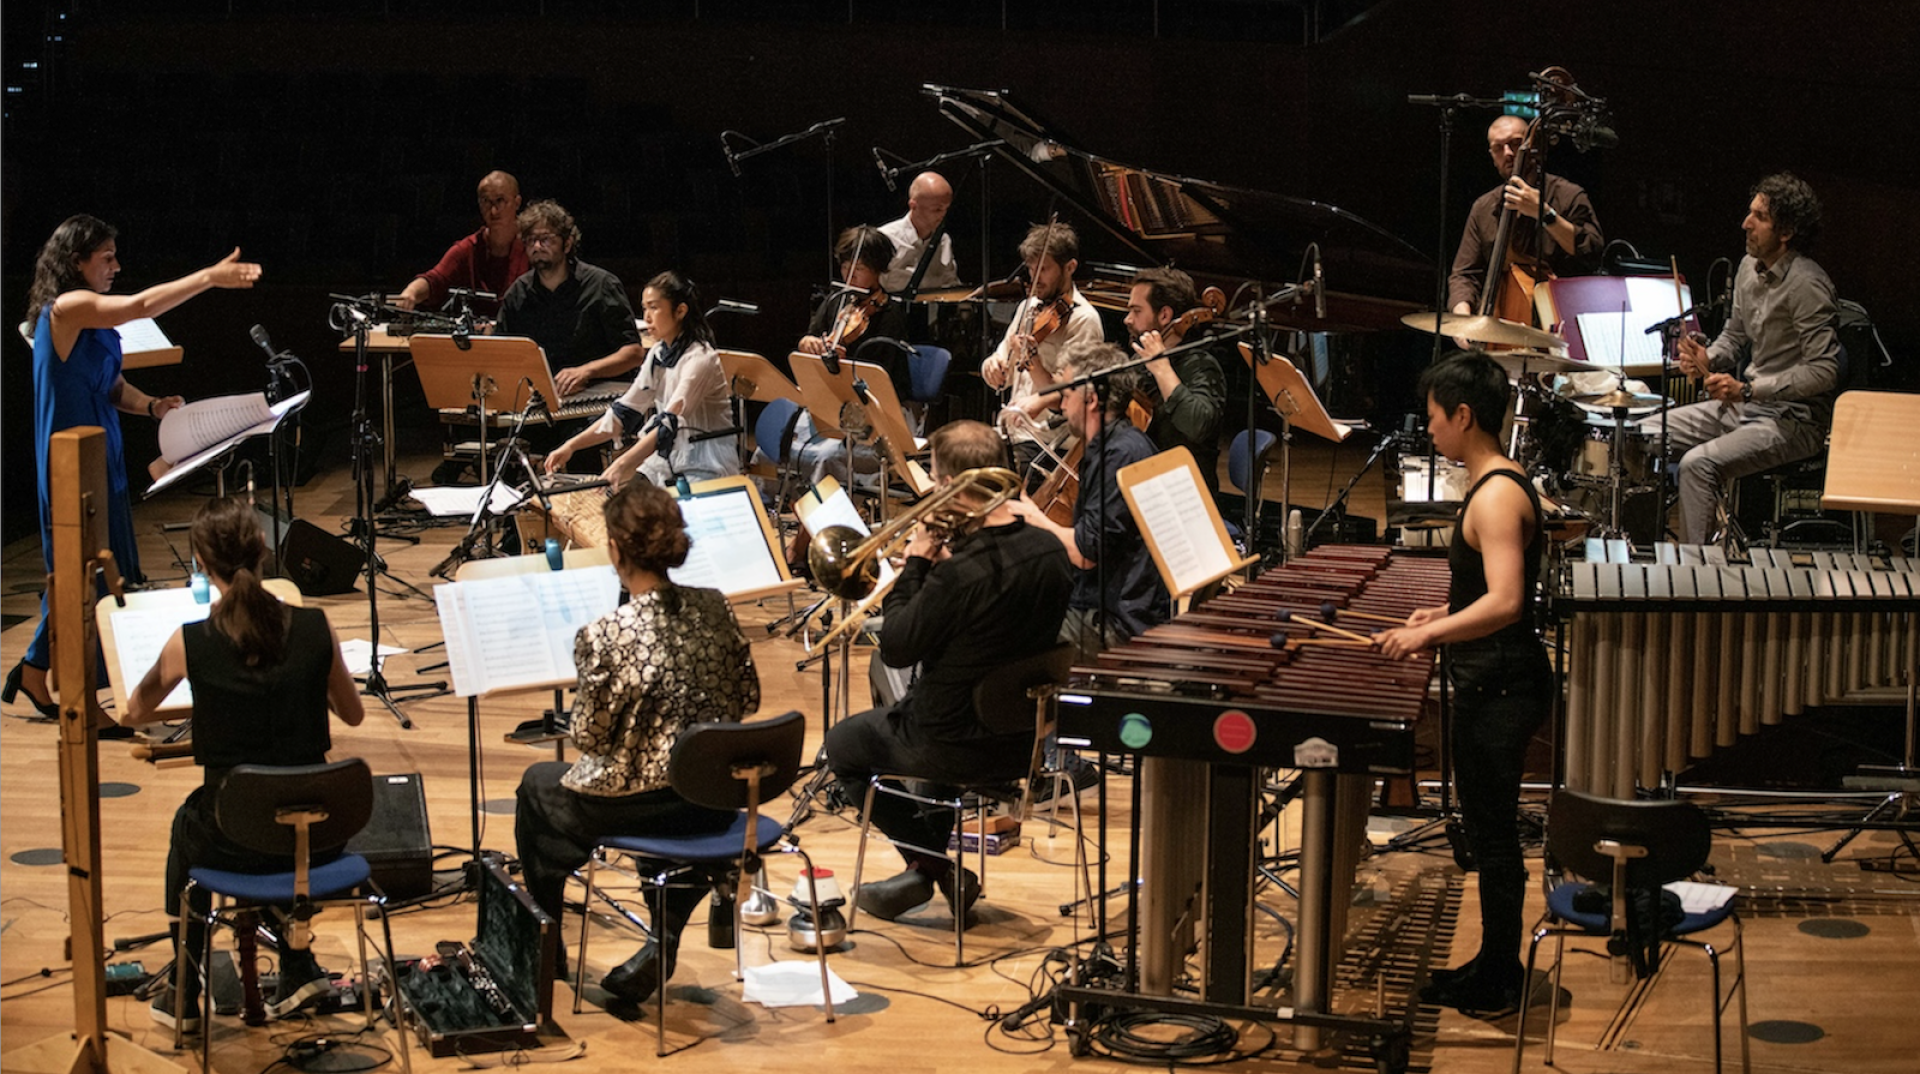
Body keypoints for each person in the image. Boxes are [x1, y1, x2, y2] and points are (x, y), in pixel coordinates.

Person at [5, 215, 261, 727]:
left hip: (104, 453)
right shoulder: (69, 308)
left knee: (103, 569)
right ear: (75, 263)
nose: (116, 266)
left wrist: (152, 407)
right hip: (70, 460)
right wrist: (208, 277)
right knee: (85, 576)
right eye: (106, 258)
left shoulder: (88, 322)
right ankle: (79, 693)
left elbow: (113, 386)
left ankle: (36, 669)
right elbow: (141, 306)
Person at [122, 498, 366, 1031]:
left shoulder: (190, 643)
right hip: (319, 835)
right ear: (263, 554)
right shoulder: (315, 626)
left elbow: (135, 710)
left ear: (203, 567)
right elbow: (352, 714)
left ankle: (186, 990)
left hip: (234, 838)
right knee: (280, 806)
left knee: (191, 822)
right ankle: (299, 964)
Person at [514, 482, 759, 1005]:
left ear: (617, 551)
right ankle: (664, 930)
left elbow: (591, 737)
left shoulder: (606, 634)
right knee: (674, 797)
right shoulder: (715, 607)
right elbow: (747, 698)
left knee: (537, 786)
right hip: (713, 801)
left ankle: (547, 945)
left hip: (635, 808)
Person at [825, 420, 1072, 921]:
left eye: (937, 479)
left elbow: (895, 646)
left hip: (953, 742)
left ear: (956, 484)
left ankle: (933, 868)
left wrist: (917, 563)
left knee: (843, 746)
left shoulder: (959, 576)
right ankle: (923, 877)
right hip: (1022, 738)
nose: (933, 490)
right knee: (929, 698)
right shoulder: (1049, 551)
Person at [1376, 351, 1550, 1015]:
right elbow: (1486, 593)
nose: (1431, 430)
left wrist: (1427, 635)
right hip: (1491, 680)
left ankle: (1502, 979)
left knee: (1496, 839)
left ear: (1464, 415)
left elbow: (1507, 602)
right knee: (1485, 832)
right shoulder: (1494, 484)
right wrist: (1443, 614)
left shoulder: (1499, 495)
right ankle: (1490, 961)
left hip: (1503, 687)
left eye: (1434, 418)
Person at [1645, 173, 1839, 545]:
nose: (1745, 223)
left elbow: (1824, 370)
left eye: (1759, 217)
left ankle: (1698, 579)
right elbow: (1734, 337)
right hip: (1744, 408)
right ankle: (1641, 550)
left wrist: (1749, 390)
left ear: (1787, 231)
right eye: (1749, 213)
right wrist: (1708, 357)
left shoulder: (1808, 285)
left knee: (1697, 464)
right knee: (1646, 434)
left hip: (1793, 420)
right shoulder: (1749, 268)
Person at [1009, 341, 1169, 661]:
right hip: (1105, 602)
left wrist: (1032, 515)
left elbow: (1085, 554)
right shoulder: (1117, 443)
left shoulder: (1119, 455)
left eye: (1067, 394)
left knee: (999, 629)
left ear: (1092, 399)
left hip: (1114, 623)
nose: (1062, 404)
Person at [545, 271, 736, 489]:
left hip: (705, 462)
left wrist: (621, 464)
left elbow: (668, 425)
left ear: (680, 310)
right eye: (644, 308)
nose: (646, 317)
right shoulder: (658, 353)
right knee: (626, 508)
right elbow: (624, 411)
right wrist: (570, 446)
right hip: (668, 461)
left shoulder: (700, 359)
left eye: (654, 307)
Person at [980, 222, 1105, 487]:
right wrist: (992, 366)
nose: (1035, 277)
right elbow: (1002, 359)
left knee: (983, 480)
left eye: (1044, 269)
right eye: (1031, 269)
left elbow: (1064, 397)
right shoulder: (1029, 306)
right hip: (1015, 432)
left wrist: (1033, 362)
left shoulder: (1084, 320)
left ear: (1070, 267)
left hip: (1051, 444)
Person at [1446, 114, 1604, 324]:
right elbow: (1464, 273)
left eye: (1515, 144)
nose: (1508, 153)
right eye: (1498, 148)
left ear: (1534, 147)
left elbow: (1592, 251)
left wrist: (1545, 214)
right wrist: (1462, 316)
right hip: (1499, 327)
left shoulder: (1569, 196)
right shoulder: (1483, 208)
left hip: (1561, 325)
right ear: (1492, 156)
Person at [495, 199, 644, 398]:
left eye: (546, 239)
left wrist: (586, 371)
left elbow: (633, 353)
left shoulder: (600, 285)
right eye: (530, 240)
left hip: (595, 399)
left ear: (567, 244)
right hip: (539, 400)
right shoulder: (518, 293)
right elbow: (501, 354)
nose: (537, 246)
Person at [1125, 267, 1227, 497]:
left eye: (1136, 311)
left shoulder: (1201, 366)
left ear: (1164, 316)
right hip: (1145, 483)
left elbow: (1196, 423)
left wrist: (1162, 368)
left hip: (1184, 494)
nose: (1127, 319)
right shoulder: (1139, 361)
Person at [392, 170, 529, 318]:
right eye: (486, 202)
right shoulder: (468, 248)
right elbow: (436, 279)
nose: (493, 211)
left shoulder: (533, 246)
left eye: (500, 200)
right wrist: (411, 292)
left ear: (517, 202)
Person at [877, 171, 962, 294]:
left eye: (946, 209)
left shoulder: (943, 240)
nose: (943, 215)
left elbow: (950, 284)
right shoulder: (885, 238)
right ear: (913, 205)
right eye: (937, 209)